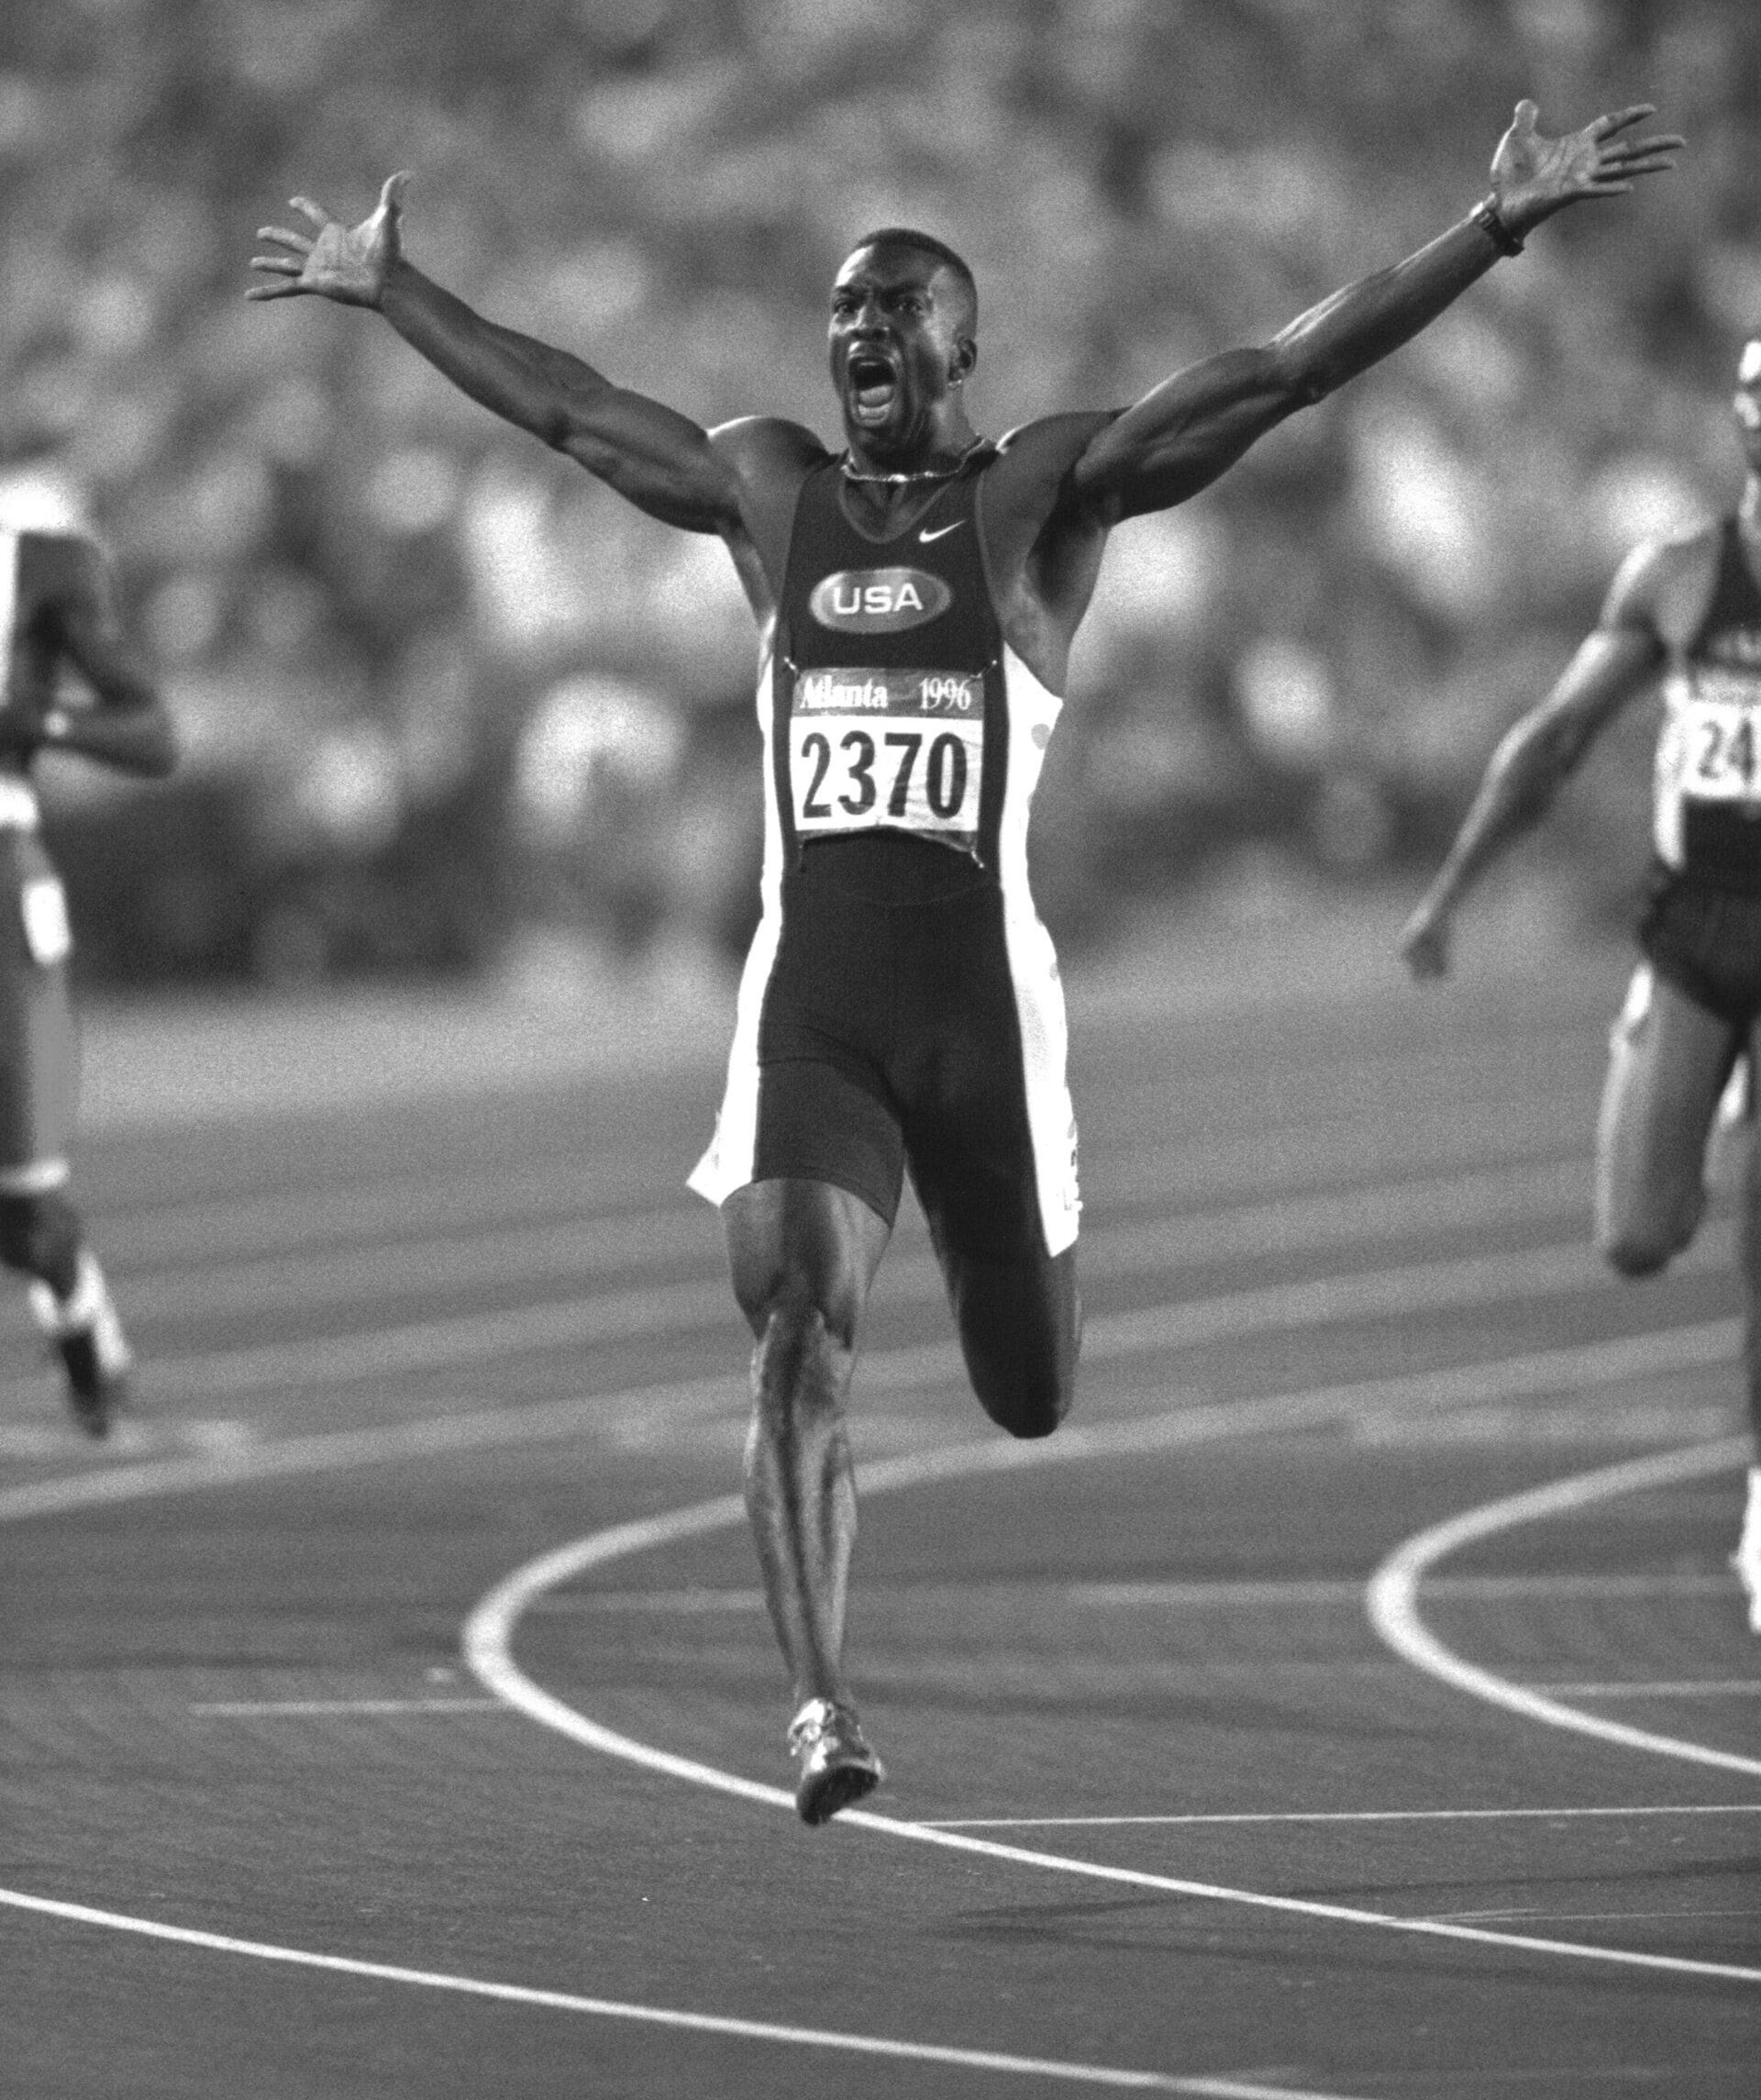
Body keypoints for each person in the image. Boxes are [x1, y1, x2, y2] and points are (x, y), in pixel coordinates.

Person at [249, 97, 1681, 1817]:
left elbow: (1280, 373)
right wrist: (396, 292)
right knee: (795, 1330)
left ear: (961, 343)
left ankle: (1001, 1349)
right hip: (818, 1004)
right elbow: (569, 411)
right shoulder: (769, 491)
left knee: (1029, 1393)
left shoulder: (1042, 504)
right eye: (842, 308)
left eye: (893, 307)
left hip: (986, 1020)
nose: (857, 329)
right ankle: (820, 1707)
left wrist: (1492, 224)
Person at [1400, 335, 1761, 1639]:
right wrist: (1453, 890)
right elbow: (1555, 740)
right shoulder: (1681, 576)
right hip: (1697, 928)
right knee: (1638, 1237)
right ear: (1741, 420)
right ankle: (1699, 1107)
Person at [0, 479, 177, 1438]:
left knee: (27, 1215)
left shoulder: (36, 565)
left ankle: (82, 1325)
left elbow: (154, 733)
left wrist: (43, 722)